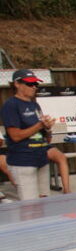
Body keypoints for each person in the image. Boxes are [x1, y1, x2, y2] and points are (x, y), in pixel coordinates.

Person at [2, 69, 56, 200]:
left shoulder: (34, 104)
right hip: (23, 161)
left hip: (41, 158)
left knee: (45, 200)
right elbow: (15, 136)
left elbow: (47, 138)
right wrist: (39, 125)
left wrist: (47, 128)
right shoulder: (11, 105)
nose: (34, 87)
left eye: (36, 84)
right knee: (30, 206)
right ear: (17, 84)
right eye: (29, 84)